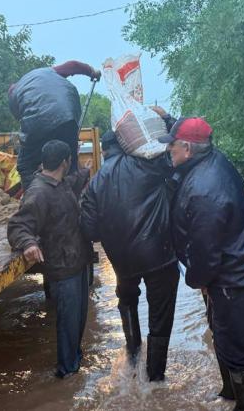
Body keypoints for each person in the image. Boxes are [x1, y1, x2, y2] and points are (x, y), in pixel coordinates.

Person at [159, 116, 244, 411]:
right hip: (230, 275)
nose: (168, 150)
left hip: (233, 280)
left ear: (187, 149)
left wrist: (198, 280)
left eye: (172, 145)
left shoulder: (204, 188)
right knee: (223, 339)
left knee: (238, 350)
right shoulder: (210, 160)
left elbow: (206, 250)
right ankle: (229, 394)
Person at [80, 130, 179, 380]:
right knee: (160, 314)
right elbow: (172, 161)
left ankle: (133, 353)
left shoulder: (95, 183)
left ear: (104, 151)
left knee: (127, 299)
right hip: (159, 256)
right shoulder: (146, 164)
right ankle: (155, 377)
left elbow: (90, 231)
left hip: (122, 262)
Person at [7, 140, 92, 378]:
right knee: (68, 325)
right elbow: (17, 226)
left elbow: (73, 183)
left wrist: (85, 172)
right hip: (62, 269)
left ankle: (74, 367)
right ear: (65, 162)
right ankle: (66, 375)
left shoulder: (60, 183)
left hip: (77, 262)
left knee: (77, 323)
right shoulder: (39, 192)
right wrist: (29, 243)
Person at [8, 61, 100, 190]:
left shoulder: (15, 92)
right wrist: (92, 71)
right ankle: (72, 197)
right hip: (67, 116)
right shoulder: (49, 72)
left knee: (25, 166)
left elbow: (22, 120)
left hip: (37, 120)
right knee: (69, 160)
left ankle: (33, 197)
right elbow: (74, 65)